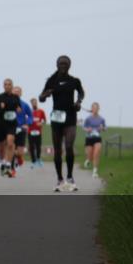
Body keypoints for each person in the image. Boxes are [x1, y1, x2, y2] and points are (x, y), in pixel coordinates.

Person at [39, 55, 85, 192]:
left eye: (66, 63)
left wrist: (78, 102)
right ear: (57, 65)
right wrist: (45, 95)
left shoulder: (74, 81)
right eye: (61, 63)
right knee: (58, 150)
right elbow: (41, 98)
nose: (63, 65)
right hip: (57, 118)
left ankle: (70, 177)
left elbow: (81, 93)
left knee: (69, 146)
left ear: (70, 65)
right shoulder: (52, 81)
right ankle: (60, 179)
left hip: (70, 116)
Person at [0, 78, 21, 177]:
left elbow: (19, 107)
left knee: (10, 142)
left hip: (11, 123)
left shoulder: (15, 97)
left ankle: (8, 164)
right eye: (5, 84)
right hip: (1, 123)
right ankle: (2, 161)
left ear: (12, 86)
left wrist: (19, 109)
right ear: (3, 86)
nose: (7, 86)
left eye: (9, 84)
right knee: (1, 146)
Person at [82, 102, 106, 177]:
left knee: (96, 154)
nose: (95, 109)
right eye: (94, 108)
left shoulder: (101, 119)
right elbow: (84, 127)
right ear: (92, 109)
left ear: (98, 109)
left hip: (97, 138)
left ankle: (95, 171)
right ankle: (88, 160)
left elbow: (105, 128)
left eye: (96, 108)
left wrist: (102, 128)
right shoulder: (88, 119)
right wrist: (87, 129)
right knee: (90, 156)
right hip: (89, 138)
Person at [13, 86, 32, 169]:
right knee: (10, 147)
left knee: (20, 152)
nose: (16, 93)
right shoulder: (8, 103)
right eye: (15, 91)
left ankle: (19, 157)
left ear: (21, 93)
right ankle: (12, 166)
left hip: (21, 129)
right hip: (11, 128)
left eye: (18, 91)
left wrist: (27, 124)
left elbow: (30, 116)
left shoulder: (25, 105)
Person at [29, 97, 47, 168]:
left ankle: (38, 159)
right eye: (33, 103)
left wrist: (41, 123)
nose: (34, 104)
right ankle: (33, 161)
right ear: (31, 104)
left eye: (35, 102)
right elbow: (26, 119)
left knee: (38, 146)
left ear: (37, 103)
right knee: (31, 147)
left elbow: (44, 120)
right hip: (30, 131)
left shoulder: (41, 111)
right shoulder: (29, 111)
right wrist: (28, 123)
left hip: (38, 131)